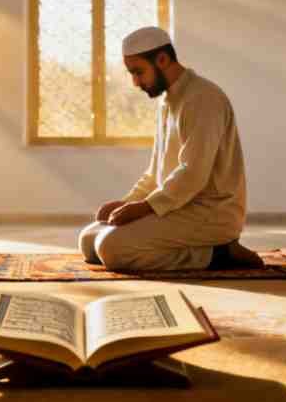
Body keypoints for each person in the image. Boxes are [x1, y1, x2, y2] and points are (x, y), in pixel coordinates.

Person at [77, 26, 264, 271]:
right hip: (176, 207)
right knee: (89, 240)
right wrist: (126, 204)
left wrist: (144, 208)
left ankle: (217, 253)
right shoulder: (167, 102)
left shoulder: (202, 98)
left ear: (162, 60)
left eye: (138, 72)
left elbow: (193, 173)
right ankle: (207, 251)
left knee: (111, 248)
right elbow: (155, 174)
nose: (135, 82)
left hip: (209, 213)